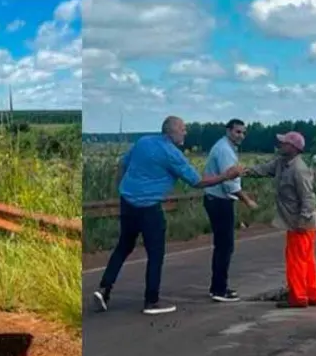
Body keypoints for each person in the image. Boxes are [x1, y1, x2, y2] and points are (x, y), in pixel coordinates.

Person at [92, 115, 246, 315]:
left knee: (123, 246)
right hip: (149, 207)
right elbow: (198, 182)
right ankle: (151, 301)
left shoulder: (144, 142)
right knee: (155, 253)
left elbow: (122, 163)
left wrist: (121, 188)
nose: (185, 133)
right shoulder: (172, 154)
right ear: (171, 131)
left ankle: (104, 289)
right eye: (182, 129)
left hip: (127, 202)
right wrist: (226, 176)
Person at [243, 131, 316, 309]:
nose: (280, 145)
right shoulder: (281, 163)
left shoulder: (299, 170)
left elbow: (308, 198)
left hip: (300, 222)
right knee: (306, 259)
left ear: (293, 148)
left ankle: (298, 297)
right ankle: (312, 294)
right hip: (297, 221)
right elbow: (263, 169)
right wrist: (243, 171)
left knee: (296, 260)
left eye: (284, 143)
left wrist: (303, 221)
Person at [202, 119, 258, 302]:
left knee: (222, 245)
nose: (241, 136)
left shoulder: (225, 147)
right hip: (219, 201)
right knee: (225, 246)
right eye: (237, 132)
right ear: (228, 131)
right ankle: (219, 289)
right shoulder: (225, 151)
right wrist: (248, 201)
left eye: (243, 132)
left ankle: (218, 287)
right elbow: (230, 184)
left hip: (215, 198)